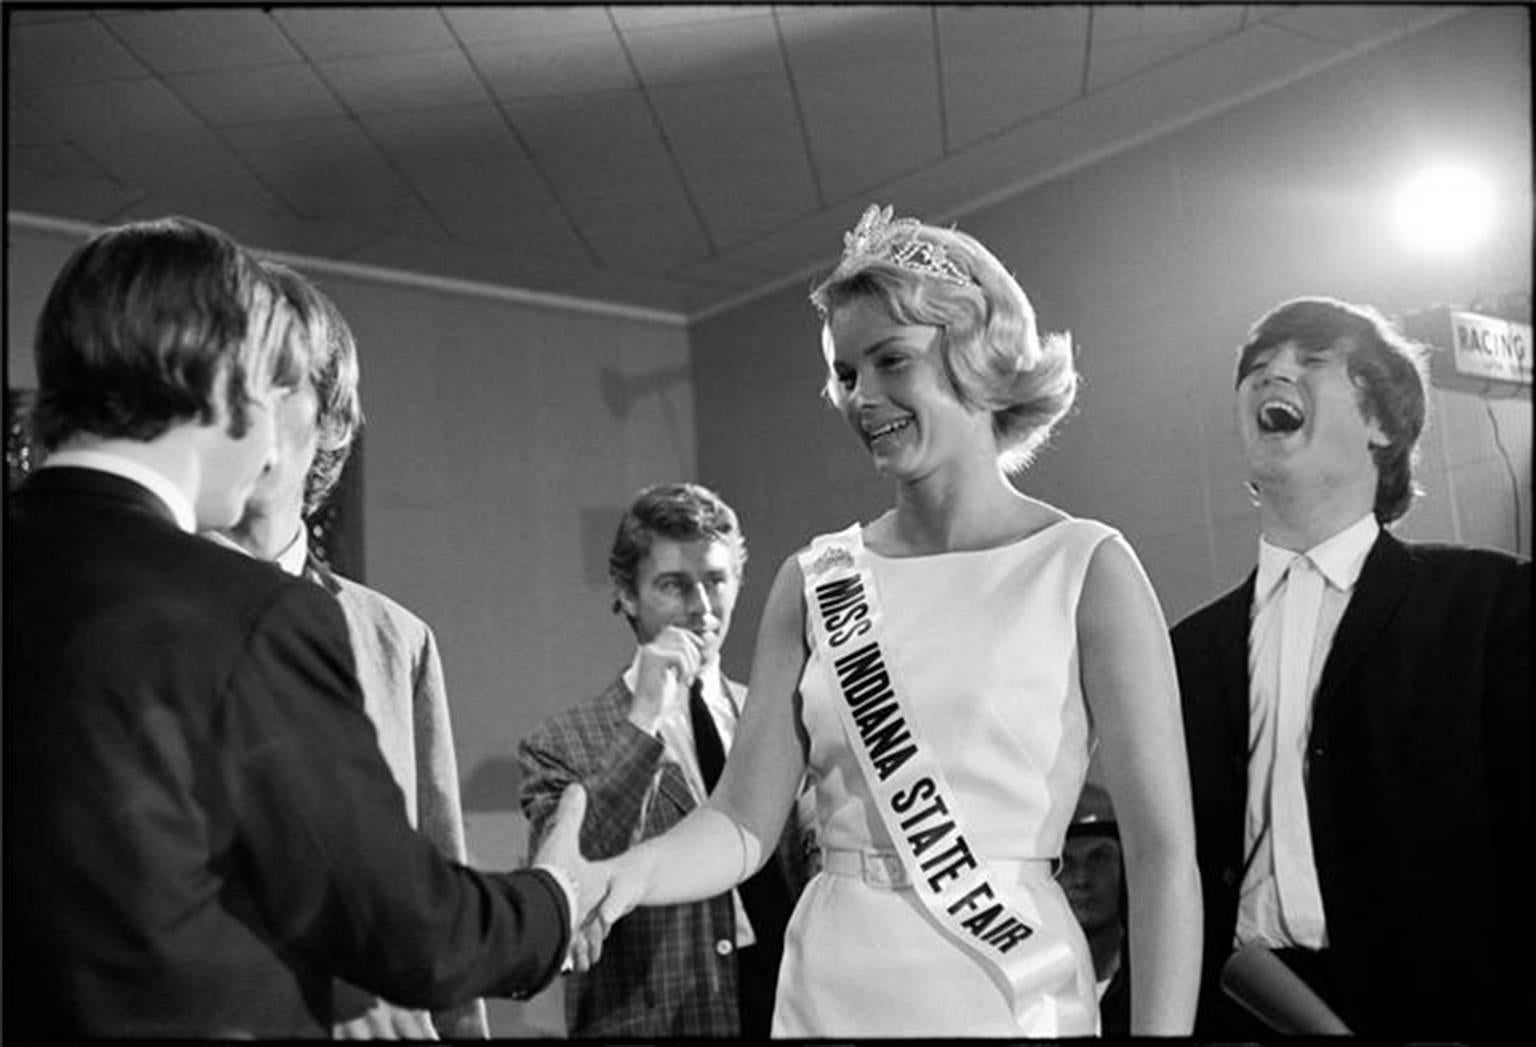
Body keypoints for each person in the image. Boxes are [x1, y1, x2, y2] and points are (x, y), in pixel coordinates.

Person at [588, 204, 1202, 1036]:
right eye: (846, 372)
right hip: (833, 985)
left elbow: (1163, 852)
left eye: (890, 361)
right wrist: (617, 878)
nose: (861, 397)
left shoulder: (1086, 567)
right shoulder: (814, 581)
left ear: (976, 354)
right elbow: (740, 822)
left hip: (1008, 989)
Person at [3, 216, 607, 1038]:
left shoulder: (387, 636)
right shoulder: (243, 615)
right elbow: (415, 929)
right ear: (220, 384)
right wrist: (556, 896)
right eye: (264, 387)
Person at [1171, 296, 1533, 1039]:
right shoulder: (1182, 650)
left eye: (1310, 360)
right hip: (1233, 1015)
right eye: (1259, 366)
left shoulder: (1488, 602)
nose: (1273, 372)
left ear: (1382, 423)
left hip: (1442, 1005)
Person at [205, 262, 486, 1038]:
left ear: (331, 420)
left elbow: (440, 899)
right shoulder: (131, 623)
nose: (244, 410)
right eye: (227, 381)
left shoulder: (399, 642)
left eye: (276, 381)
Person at [518, 483, 810, 1037]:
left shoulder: (775, 715)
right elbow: (567, 890)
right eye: (674, 586)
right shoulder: (560, 742)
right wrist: (645, 720)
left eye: (716, 581)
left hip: (787, 1010)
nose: (701, 608)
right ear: (628, 595)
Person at [1059, 782, 1130, 1036]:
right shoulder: (1027, 987)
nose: (1081, 878)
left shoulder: (1156, 987)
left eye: (1099, 857)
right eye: (1065, 862)